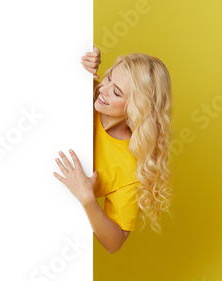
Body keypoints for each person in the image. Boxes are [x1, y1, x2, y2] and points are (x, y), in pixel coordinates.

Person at [53, 46, 173, 254]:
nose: (103, 90)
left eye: (116, 92)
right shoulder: (85, 93)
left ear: (137, 108)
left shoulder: (131, 165)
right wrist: (80, 61)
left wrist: (87, 198)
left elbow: (114, 243)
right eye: (108, 77)